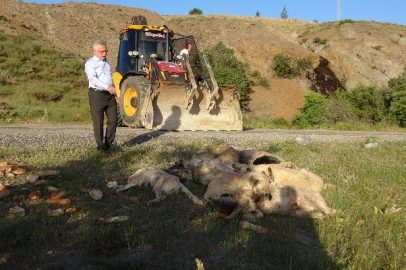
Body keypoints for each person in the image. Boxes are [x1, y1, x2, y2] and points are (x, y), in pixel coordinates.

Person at [84, 40, 118, 152]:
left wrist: (115, 94)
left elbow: (110, 79)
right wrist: (106, 87)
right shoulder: (90, 64)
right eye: (101, 51)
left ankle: (108, 144)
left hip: (109, 95)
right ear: (94, 51)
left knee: (113, 120)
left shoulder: (107, 63)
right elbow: (93, 79)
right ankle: (100, 147)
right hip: (96, 94)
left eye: (106, 51)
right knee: (98, 122)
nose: (104, 54)